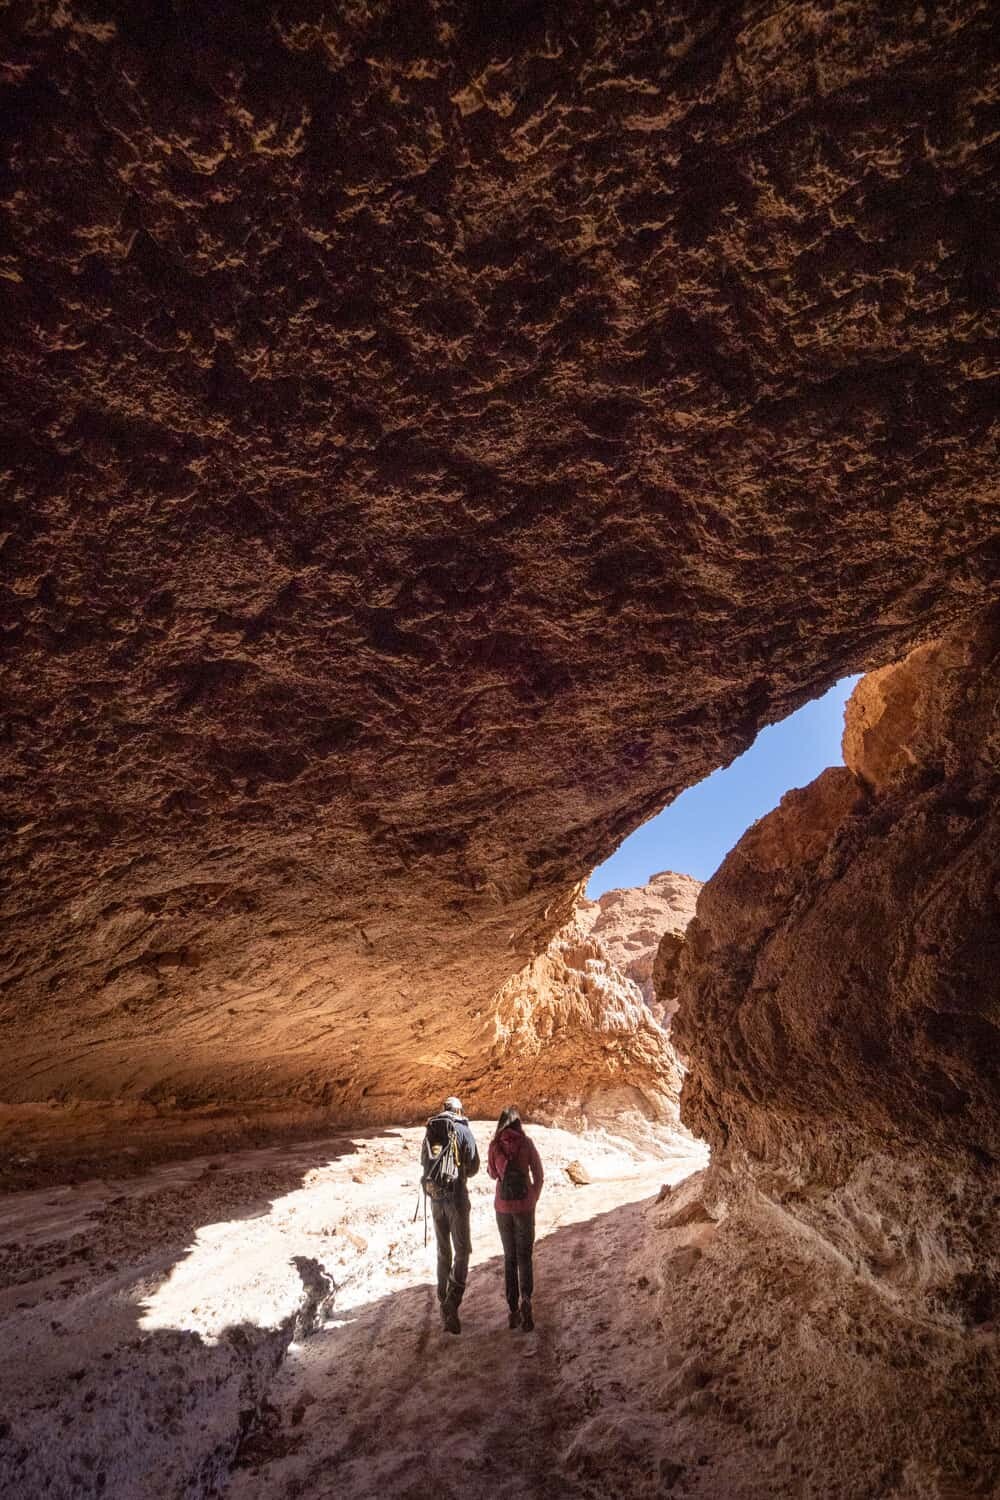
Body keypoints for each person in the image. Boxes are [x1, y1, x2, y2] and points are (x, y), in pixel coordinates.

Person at [420, 1095, 479, 1334]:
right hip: (456, 1197)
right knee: (463, 1250)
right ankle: (452, 1303)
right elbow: (474, 1166)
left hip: (435, 1199)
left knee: (443, 1252)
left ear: (443, 1109)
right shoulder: (462, 1130)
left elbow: (424, 1162)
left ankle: (442, 1299)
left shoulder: (432, 1129)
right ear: (459, 1110)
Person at [488, 1106, 544, 1332]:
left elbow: (492, 1173)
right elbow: (539, 1174)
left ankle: (512, 1310)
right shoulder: (527, 1143)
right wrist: (532, 1198)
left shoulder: (495, 1145)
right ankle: (526, 1300)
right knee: (525, 1256)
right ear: (518, 1123)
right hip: (525, 1207)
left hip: (502, 1208)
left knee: (509, 1257)